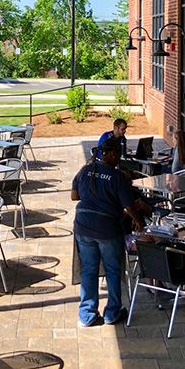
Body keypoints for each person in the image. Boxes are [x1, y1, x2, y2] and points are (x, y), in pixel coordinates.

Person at [71, 137, 144, 327]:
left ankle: (86, 315)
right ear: (111, 154)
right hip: (107, 229)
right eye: (118, 155)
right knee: (112, 270)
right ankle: (112, 313)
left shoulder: (85, 170)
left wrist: (93, 195)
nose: (119, 159)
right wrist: (138, 221)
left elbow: (74, 196)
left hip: (83, 226)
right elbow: (129, 206)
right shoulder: (117, 177)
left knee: (89, 269)